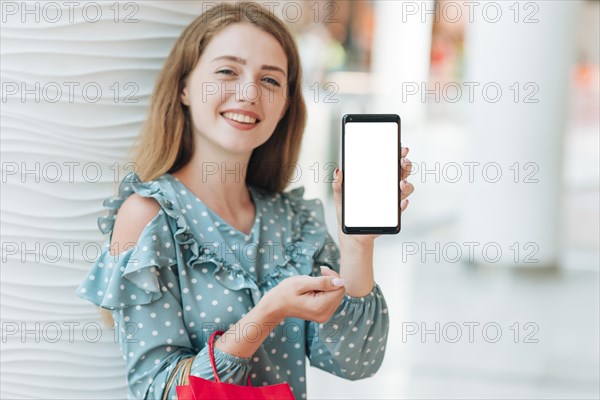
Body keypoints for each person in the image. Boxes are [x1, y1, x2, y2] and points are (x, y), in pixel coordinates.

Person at [76, 2, 414, 399]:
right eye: (227, 71)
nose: (249, 92)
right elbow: (159, 390)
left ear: (286, 105)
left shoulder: (295, 222)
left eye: (270, 81)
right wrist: (266, 315)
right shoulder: (148, 217)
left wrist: (358, 243)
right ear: (184, 86)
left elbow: (357, 360)